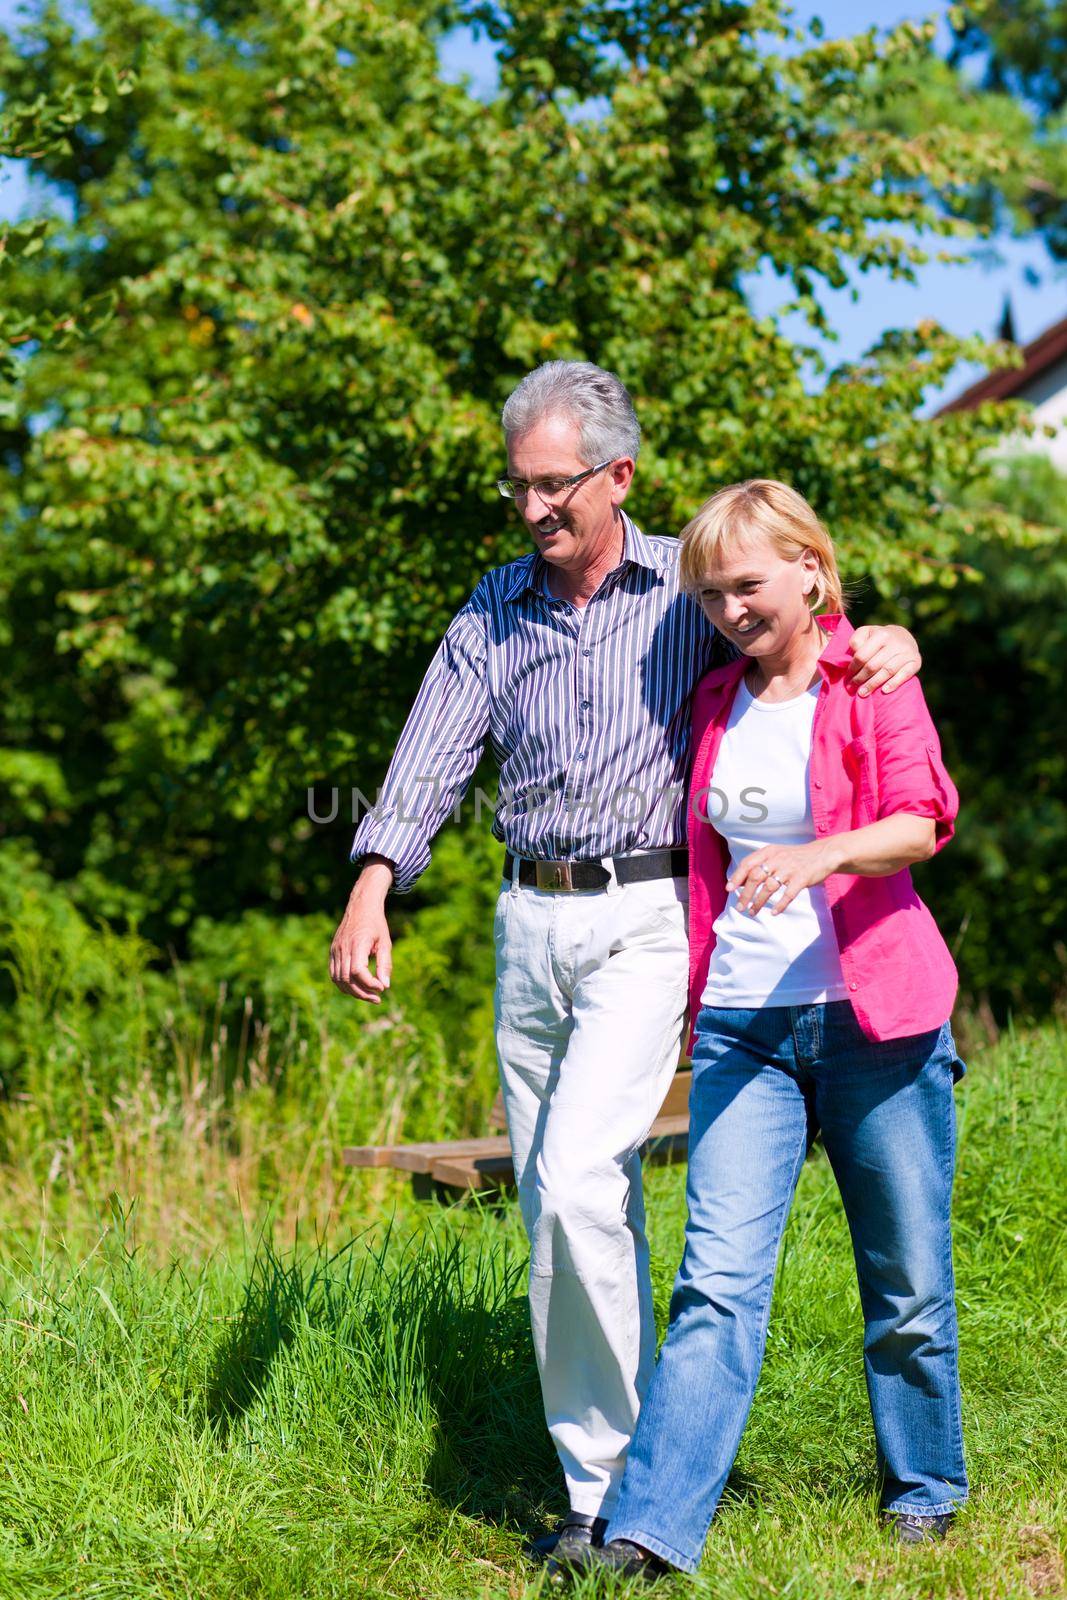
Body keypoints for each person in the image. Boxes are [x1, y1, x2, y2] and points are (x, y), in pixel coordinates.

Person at [329, 369, 922, 1559]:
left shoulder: (681, 592)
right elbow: (429, 755)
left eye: (555, 485)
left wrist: (885, 640)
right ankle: (606, 1476)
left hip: (648, 914)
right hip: (526, 921)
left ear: (617, 477)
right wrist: (373, 880)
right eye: (519, 487)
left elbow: (793, 623)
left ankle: (621, 1495)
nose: (535, 508)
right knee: (559, 1212)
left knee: (579, 1178)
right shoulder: (494, 609)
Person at [565, 479, 967, 1583]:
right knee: (715, 1286)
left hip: (875, 1022)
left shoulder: (868, 676)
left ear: (807, 570)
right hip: (744, 1027)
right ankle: (648, 1530)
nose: (728, 609)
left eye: (745, 584)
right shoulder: (710, 701)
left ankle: (924, 1488)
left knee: (905, 1283)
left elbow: (921, 822)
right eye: (708, 595)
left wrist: (818, 855)